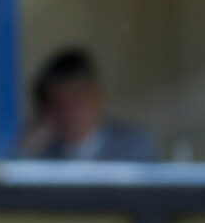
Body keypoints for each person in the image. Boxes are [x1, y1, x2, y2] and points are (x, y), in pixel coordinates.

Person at [19, 47, 158, 162]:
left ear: (98, 98)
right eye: (58, 104)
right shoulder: (45, 150)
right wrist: (29, 148)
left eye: (77, 101)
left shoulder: (131, 147)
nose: (69, 112)